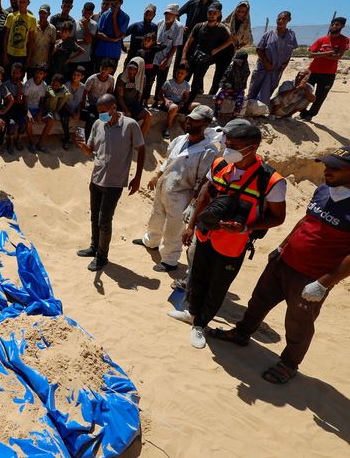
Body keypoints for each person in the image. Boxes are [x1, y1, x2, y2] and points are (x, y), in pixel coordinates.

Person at [210, 146, 350, 384]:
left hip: (312, 276)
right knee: (258, 300)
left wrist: (324, 283)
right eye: (326, 164)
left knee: (298, 323)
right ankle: (242, 333)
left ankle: (289, 363)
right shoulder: (324, 190)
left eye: (335, 167)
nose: (326, 170)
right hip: (284, 261)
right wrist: (281, 247)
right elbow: (306, 221)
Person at [177, 124, 286, 349]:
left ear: (252, 148)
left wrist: (246, 228)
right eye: (227, 145)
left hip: (233, 243)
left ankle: (200, 324)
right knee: (197, 276)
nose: (227, 150)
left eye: (233, 146)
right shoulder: (220, 164)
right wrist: (191, 225)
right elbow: (206, 194)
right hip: (206, 233)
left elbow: (278, 218)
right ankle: (192, 313)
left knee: (217, 285)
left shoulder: (272, 180)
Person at [133, 106, 219, 271]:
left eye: (195, 120)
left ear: (206, 123)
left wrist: (193, 202)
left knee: (174, 227)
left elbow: (203, 180)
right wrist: (157, 176)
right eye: (189, 118)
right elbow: (169, 160)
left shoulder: (209, 150)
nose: (189, 121)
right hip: (164, 185)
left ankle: (170, 260)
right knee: (156, 216)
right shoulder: (179, 139)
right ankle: (151, 241)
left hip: (183, 194)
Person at [75, 94, 145, 271]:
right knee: (94, 217)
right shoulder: (98, 124)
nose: (101, 115)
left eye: (104, 111)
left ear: (114, 107)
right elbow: (89, 151)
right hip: (96, 178)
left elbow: (141, 149)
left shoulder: (130, 125)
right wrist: (81, 145)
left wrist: (137, 178)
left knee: (104, 220)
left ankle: (102, 256)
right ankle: (93, 247)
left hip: (114, 183)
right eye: (99, 112)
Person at [181, 3, 232, 104]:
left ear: (219, 14)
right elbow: (188, 42)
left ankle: (186, 106)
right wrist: (183, 58)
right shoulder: (199, 26)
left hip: (205, 61)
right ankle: (179, 102)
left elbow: (230, 40)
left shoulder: (221, 29)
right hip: (193, 58)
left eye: (214, 13)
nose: (212, 15)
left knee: (196, 84)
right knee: (183, 81)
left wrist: (216, 50)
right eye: (210, 12)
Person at [300, 17, 349, 121]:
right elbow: (312, 54)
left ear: (342, 26)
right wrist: (330, 52)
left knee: (320, 96)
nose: (334, 26)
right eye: (333, 24)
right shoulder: (321, 39)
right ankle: (302, 112)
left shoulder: (344, 40)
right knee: (305, 92)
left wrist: (320, 54)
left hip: (328, 74)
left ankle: (310, 115)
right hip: (312, 71)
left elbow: (338, 57)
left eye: (337, 25)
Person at [247, 11, 297, 105]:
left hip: (276, 70)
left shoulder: (291, 36)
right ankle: (248, 108)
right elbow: (259, 50)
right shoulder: (269, 34)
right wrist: (266, 63)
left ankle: (260, 111)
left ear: (289, 20)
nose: (281, 21)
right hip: (263, 68)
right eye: (279, 18)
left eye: (284, 19)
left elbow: (290, 51)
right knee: (254, 89)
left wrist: (286, 63)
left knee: (267, 91)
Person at [176, 0, 219, 70]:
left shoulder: (215, 5)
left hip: (201, 43)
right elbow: (177, 14)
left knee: (192, 69)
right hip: (185, 40)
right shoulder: (192, 3)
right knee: (178, 67)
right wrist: (181, 27)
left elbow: (217, 23)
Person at [210, 0, 252, 95]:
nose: (240, 13)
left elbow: (248, 39)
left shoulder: (246, 25)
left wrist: (238, 46)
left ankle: (211, 95)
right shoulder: (228, 21)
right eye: (239, 10)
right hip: (218, 49)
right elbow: (223, 28)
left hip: (229, 53)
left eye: (243, 12)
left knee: (219, 76)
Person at [152, 4, 184, 105]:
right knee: (150, 79)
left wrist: (166, 60)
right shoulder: (159, 23)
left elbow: (175, 46)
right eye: (166, 13)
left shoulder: (179, 27)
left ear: (175, 15)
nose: (167, 16)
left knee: (161, 81)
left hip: (166, 58)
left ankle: (157, 101)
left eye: (170, 14)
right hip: (154, 57)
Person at [116, 57, 152, 137]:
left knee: (149, 116)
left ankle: (140, 140)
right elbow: (119, 97)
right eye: (130, 68)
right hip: (122, 104)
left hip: (133, 104)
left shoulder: (142, 78)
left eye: (134, 69)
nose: (131, 71)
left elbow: (139, 94)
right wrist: (126, 110)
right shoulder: (122, 77)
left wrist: (137, 108)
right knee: (126, 116)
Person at [3, 0, 37, 72]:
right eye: (20, 2)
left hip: (22, 56)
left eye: (24, 2)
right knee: (7, 77)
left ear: (28, 3)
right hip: (9, 54)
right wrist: (4, 55)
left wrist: (28, 58)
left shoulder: (32, 19)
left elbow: (32, 40)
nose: (21, 4)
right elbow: (6, 37)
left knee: (18, 78)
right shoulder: (11, 16)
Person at [94, 0, 129, 69]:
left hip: (114, 54)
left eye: (116, 4)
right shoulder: (105, 15)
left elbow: (117, 35)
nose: (113, 6)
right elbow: (99, 34)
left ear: (121, 3)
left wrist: (114, 17)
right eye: (112, 4)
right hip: (101, 53)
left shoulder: (125, 17)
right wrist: (112, 40)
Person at [82, 59, 116, 137]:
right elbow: (84, 95)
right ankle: (87, 139)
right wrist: (83, 106)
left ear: (110, 70)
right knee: (92, 118)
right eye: (102, 68)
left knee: (107, 119)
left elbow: (110, 94)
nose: (103, 70)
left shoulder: (111, 80)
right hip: (91, 104)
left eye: (106, 69)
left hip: (102, 105)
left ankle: (102, 138)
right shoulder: (92, 79)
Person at [23, 63, 51, 152]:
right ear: (35, 73)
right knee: (29, 120)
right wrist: (29, 113)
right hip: (28, 108)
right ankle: (32, 143)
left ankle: (40, 143)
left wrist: (39, 113)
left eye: (41, 74)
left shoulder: (44, 85)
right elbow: (24, 102)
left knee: (51, 120)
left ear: (44, 75)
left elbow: (42, 101)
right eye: (37, 73)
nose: (39, 75)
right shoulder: (28, 84)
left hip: (37, 108)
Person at [159, 64, 192, 138]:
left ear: (186, 74)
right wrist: (165, 100)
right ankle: (168, 127)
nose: (179, 75)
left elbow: (186, 98)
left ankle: (187, 124)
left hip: (179, 103)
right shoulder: (169, 82)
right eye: (178, 72)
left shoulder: (187, 85)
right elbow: (160, 94)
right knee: (174, 107)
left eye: (182, 73)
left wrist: (182, 103)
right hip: (169, 103)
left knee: (197, 105)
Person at [214, 51, 250, 117]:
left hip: (238, 89)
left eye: (240, 61)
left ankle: (235, 114)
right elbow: (224, 78)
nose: (238, 63)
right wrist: (225, 87)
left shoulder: (246, 70)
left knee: (240, 98)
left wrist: (236, 89)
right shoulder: (231, 67)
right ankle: (217, 111)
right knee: (220, 95)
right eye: (237, 61)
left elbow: (243, 83)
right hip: (228, 88)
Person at [60, 66, 86, 149]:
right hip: (66, 108)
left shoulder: (83, 87)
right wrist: (72, 113)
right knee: (64, 118)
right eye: (74, 74)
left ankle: (85, 139)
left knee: (90, 116)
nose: (75, 77)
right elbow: (62, 103)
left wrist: (78, 112)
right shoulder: (65, 86)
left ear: (82, 77)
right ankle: (67, 139)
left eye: (78, 75)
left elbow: (81, 102)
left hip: (76, 109)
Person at [28, 5, 57, 79]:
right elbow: (29, 43)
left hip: (45, 64)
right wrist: (28, 59)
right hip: (32, 62)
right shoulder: (33, 25)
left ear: (49, 14)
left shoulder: (52, 28)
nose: (42, 15)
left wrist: (50, 60)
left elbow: (52, 44)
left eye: (44, 13)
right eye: (41, 13)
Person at [70, 3, 98, 79]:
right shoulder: (75, 23)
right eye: (85, 12)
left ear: (91, 13)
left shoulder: (94, 24)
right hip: (73, 59)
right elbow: (71, 41)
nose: (86, 15)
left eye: (88, 13)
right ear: (82, 11)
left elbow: (88, 41)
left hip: (85, 60)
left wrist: (85, 25)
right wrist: (84, 41)